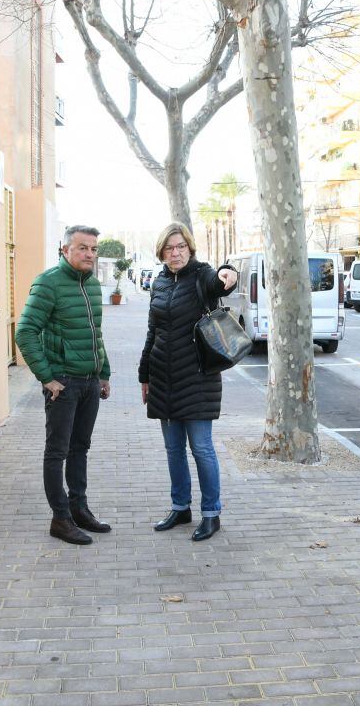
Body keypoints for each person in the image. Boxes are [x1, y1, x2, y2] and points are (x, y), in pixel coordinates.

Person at [139, 223, 238, 542]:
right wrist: (144, 375)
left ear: (190, 248)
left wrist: (227, 272)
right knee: (173, 450)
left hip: (197, 378)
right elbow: (153, 330)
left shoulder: (202, 275)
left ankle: (212, 514)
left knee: (202, 448)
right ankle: (181, 507)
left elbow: (220, 283)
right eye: (169, 248)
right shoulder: (160, 281)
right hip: (163, 377)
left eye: (181, 246)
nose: (176, 252)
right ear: (161, 252)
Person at [15, 225, 112, 546]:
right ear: (65, 250)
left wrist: (104, 373)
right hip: (63, 384)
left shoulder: (94, 285)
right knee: (57, 452)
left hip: (88, 382)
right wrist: (47, 377)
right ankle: (60, 518)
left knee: (80, 448)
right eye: (82, 248)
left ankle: (78, 508)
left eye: (94, 249)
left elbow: (95, 335)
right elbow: (25, 332)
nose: (89, 254)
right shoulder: (48, 284)